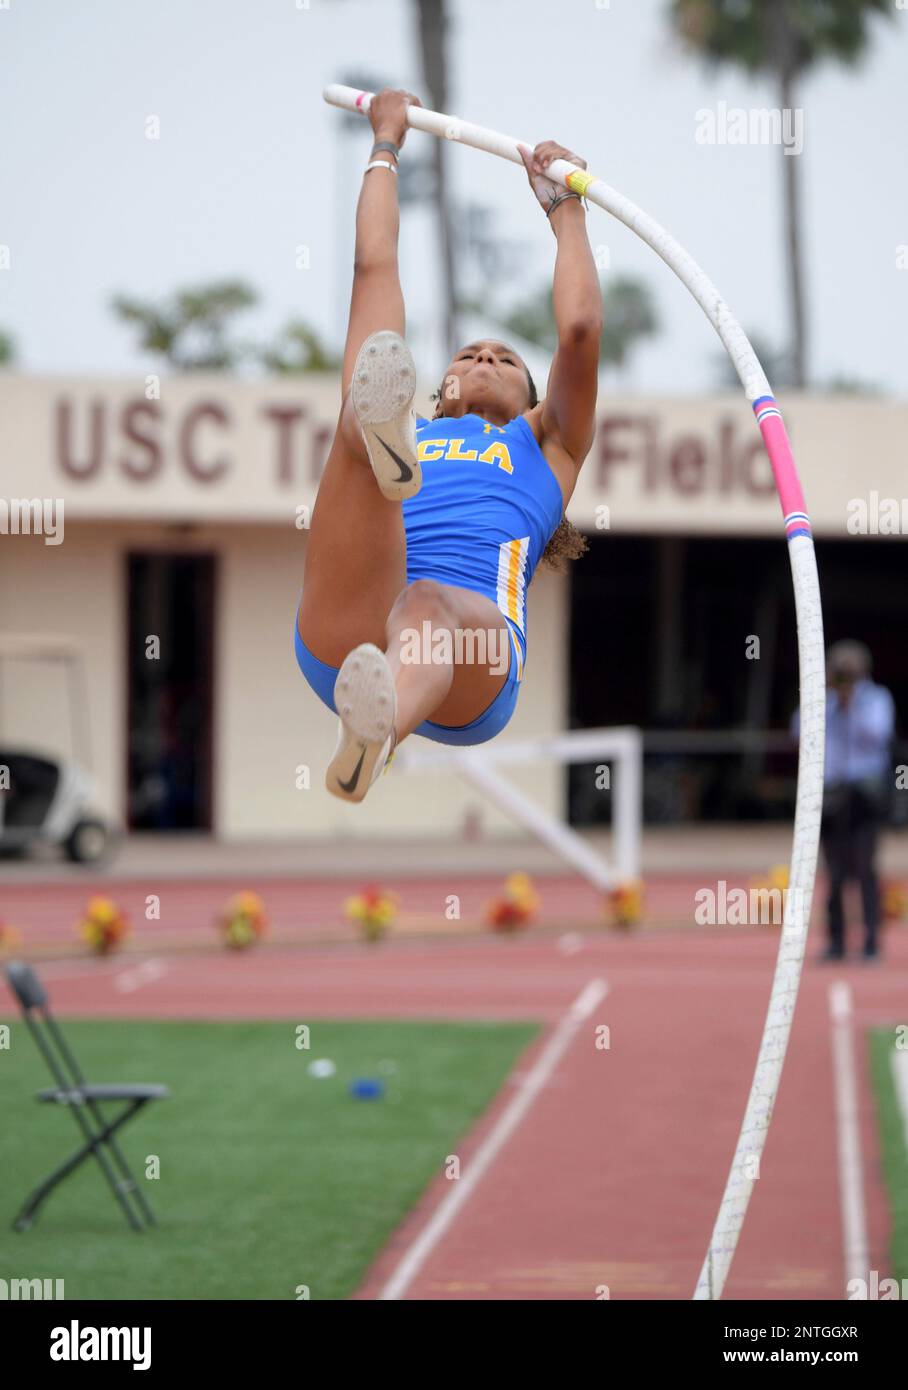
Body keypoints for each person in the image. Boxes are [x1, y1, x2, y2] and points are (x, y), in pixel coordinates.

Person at [295, 89, 602, 801]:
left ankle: (376, 737)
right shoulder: (411, 419)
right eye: (469, 353)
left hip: (472, 660)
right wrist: (385, 146)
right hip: (349, 631)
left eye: (504, 357)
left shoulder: (548, 444)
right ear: (440, 390)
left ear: (532, 396)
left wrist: (567, 211)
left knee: (426, 601)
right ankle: (375, 434)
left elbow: (580, 331)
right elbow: (374, 269)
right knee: (359, 410)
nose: (487, 357)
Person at [791, 640, 896, 961]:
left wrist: (852, 706)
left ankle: (871, 941)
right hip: (832, 794)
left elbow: (878, 734)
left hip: (864, 794)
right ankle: (836, 940)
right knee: (833, 871)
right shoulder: (824, 700)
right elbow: (799, 731)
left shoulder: (876, 698)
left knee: (865, 869)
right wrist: (831, 699)